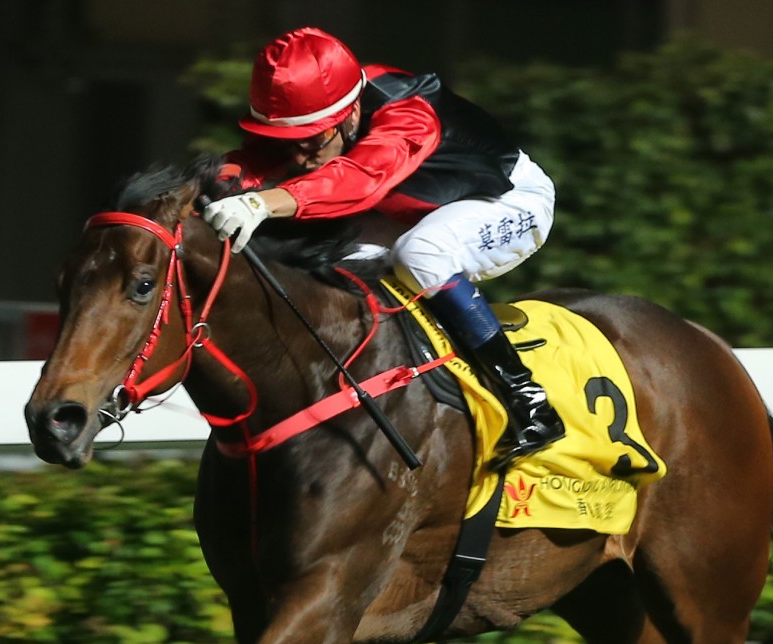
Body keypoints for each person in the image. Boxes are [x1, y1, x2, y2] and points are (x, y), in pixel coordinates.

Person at [202, 27, 565, 470]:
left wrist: (261, 203)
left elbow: (360, 178)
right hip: (408, 209)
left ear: (352, 112)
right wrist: (208, 190)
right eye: (288, 141)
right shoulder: (324, 114)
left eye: (312, 140)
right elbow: (252, 162)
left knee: (421, 253)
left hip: (507, 199)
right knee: (321, 261)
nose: (298, 157)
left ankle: (528, 400)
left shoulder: (409, 114)